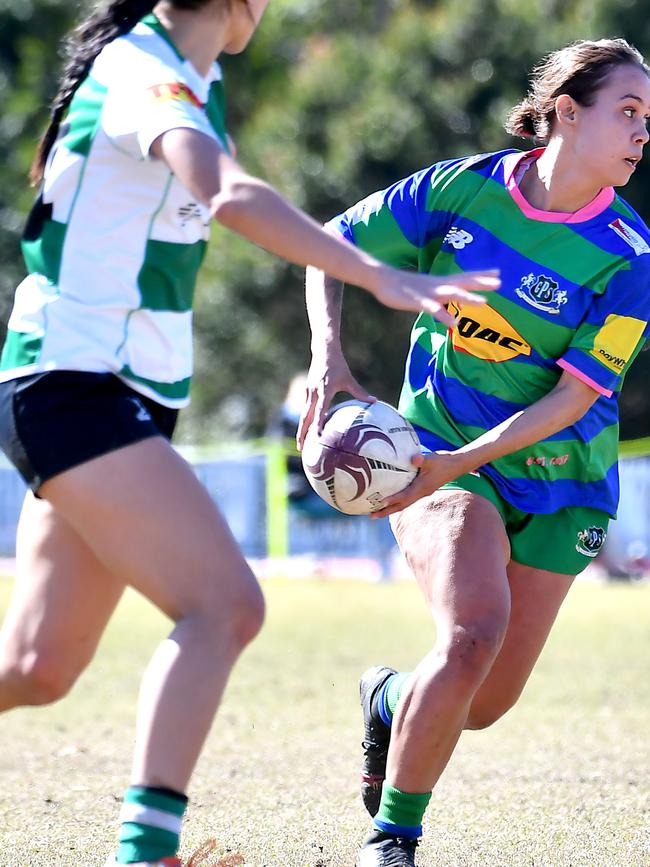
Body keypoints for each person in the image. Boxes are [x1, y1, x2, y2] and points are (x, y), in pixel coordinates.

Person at [0, 2, 501, 866]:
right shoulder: (144, 71)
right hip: (72, 385)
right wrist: (373, 272)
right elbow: (226, 193)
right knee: (225, 605)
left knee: (39, 665)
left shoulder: (195, 78)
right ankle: (144, 852)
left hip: (107, 392)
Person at [298, 38, 650, 867]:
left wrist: (462, 461)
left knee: (482, 702)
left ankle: (388, 698)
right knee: (470, 635)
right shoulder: (459, 191)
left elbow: (572, 397)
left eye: (649, 120)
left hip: (566, 482)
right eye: (628, 112)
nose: (643, 133)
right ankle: (394, 840)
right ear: (567, 111)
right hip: (441, 448)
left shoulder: (630, 256)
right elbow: (328, 246)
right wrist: (328, 358)